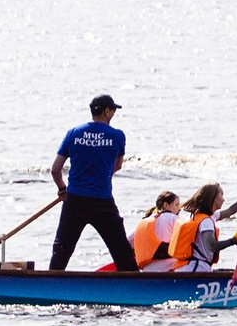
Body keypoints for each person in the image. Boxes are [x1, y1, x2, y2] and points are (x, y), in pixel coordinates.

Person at [48, 94, 137, 272]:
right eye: (113, 111)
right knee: (120, 250)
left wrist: (62, 189)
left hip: (74, 200)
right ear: (106, 111)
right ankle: (135, 285)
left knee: (62, 250)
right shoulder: (117, 136)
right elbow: (117, 165)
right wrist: (101, 175)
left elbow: (55, 170)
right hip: (102, 201)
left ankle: (50, 284)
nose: (113, 114)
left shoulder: (73, 133)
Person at [165, 182, 237, 273]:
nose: (224, 200)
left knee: (232, 271)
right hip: (195, 268)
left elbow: (231, 210)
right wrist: (235, 240)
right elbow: (212, 246)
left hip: (189, 267)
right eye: (221, 195)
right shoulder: (206, 222)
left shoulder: (202, 216)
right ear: (213, 198)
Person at [128, 191, 182, 269]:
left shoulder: (142, 223)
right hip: (170, 268)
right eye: (177, 205)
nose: (179, 209)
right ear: (166, 205)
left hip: (147, 270)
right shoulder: (172, 218)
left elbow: (127, 241)